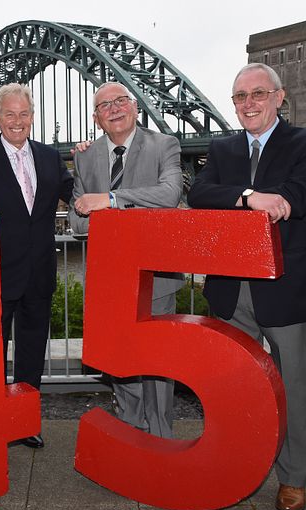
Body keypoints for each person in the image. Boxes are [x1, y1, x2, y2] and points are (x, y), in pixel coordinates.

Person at [187, 63, 306, 510]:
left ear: (278, 97)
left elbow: (297, 195)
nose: (247, 104)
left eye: (257, 94)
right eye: (239, 97)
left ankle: (293, 477)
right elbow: (199, 194)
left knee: (292, 386)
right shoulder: (223, 145)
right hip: (231, 289)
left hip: (283, 288)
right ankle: (237, 465)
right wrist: (250, 197)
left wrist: (246, 196)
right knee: (235, 386)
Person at [0, 83, 74, 449]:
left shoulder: (51, 157)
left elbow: (77, 193)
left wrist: (87, 157)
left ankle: (24, 422)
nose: (17, 121)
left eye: (23, 114)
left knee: (30, 350)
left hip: (39, 272)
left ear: (32, 117)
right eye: (9, 114)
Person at [70, 81, 184, 439]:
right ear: (97, 118)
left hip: (156, 275)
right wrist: (102, 208)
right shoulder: (84, 156)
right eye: (105, 105)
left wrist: (111, 200)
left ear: (135, 106)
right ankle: (132, 430)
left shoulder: (163, 144)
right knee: (121, 359)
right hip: (110, 278)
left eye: (121, 100)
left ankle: (161, 436)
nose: (114, 108)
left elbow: (169, 194)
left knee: (159, 360)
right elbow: (76, 221)